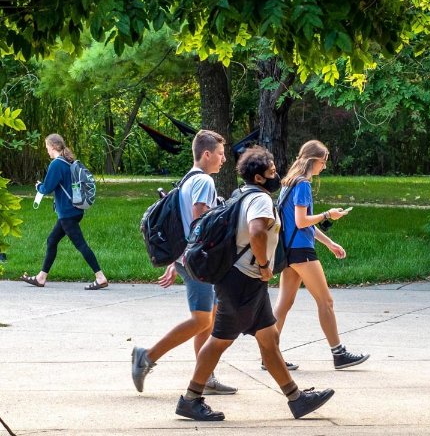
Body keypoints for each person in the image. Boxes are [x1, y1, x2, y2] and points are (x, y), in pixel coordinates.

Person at [175, 146, 335, 421]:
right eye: (271, 171)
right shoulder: (259, 199)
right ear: (259, 177)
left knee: (269, 338)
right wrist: (263, 266)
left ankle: (296, 399)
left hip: (245, 280)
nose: (276, 174)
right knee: (219, 341)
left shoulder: (244, 194)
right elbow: (258, 232)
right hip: (242, 280)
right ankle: (191, 398)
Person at [131, 130, 236, 396]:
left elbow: (184, 223)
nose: (224, 160)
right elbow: (200, 221)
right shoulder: (204, 182)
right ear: (207, 154)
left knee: (209, 320)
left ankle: (206, 375)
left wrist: (176, 260)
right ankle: (147, 356)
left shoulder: (188, 179)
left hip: (188, 257)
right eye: (221, 154)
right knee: (201, 320)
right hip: (198, 261)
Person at [271, 140, 369, 370]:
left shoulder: (288, 183)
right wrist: (328, 214)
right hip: (301, 252)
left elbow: (301, 225)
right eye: (323, 162)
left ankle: (269, 355)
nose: (324, 167)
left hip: (288, 250)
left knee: (283, 304)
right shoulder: (303, 185)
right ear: (313, 160)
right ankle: (339, 354)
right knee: (326, 301)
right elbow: (301, 221)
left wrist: (330, 243)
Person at [20, 134, 108, 290]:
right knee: (52, 240)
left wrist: (38, 186)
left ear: (53, 146)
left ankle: (100, 277)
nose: (47, 151)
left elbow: (47, 188)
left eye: (47, 148)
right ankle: (41, 277)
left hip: (67, 213)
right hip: (74, 210)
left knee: (81, 244)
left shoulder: (56, 164)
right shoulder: (68, 161)